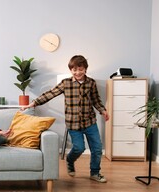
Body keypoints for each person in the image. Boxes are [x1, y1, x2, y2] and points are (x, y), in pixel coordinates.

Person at [21, 55, 109, 183]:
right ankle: (70, 160)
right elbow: (50, 94)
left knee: (97, 148)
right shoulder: (65, 83)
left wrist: (103, 110)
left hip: (90, 122)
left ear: (85, 69)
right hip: (73, 124)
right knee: (79, 148)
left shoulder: (91, 83)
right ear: (70, 70)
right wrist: (34, 103)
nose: (77, 72)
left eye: (80, 69)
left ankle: (95, 172)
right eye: (74, 70)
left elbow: (96, 100)